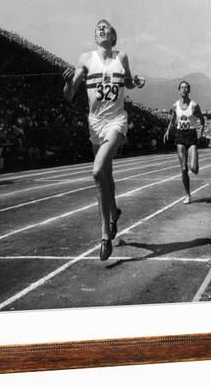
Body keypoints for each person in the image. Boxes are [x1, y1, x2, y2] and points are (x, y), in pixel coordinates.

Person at [62, 20, 145, 260]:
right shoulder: (86, 59)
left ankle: (105, 234)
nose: (100, 29)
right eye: (97, 28)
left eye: (105, 27)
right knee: (106, 176)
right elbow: (69, 96)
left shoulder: (123, 57)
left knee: (97, 172)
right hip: (95, 123)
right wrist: (68, 82)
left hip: (117, 121)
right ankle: (114, 213)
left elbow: (127, 82)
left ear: (113, 36)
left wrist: (136, 83)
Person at [163, 81, 205, 204]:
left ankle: (195, 164)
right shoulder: (175, 106)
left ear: (189, 90)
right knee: (183, 168)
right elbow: (171, 120)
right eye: (182, 88)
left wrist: (200, 131)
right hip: (180, 135)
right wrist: (167, 132)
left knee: (193, 168)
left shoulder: (194, 105)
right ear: (179, 90)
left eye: (186, 88)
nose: (184, 90)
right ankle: (187, 195)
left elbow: (202, 120)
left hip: (191, 135)